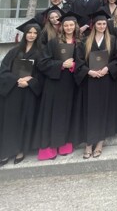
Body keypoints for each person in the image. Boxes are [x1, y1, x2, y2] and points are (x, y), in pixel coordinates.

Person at [72, 10, 117, 159]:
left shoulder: (112, 40)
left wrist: (108, 68)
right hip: (90, 82)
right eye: (99, 24)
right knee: (90, 113)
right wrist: (89, 71)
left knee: (104, 111)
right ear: (93, 25)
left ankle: (100, 143)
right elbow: (79, 61)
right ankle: (89, 144)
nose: (101, 26)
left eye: (104, 24)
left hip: (107, 81)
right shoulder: (85, 41)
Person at [33, 12, 81, 160]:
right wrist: (61, 65)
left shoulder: (80, 43)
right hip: (54, 84)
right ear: (62, 27)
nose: (69, 27)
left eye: (71, 25)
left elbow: (84, 63)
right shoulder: (53, 43)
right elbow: (42, 63)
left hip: (71, 84)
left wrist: (75, 66)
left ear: (75, 26)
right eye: (66, 25)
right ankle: (48, 149)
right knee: (51, 114)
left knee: (68, 113)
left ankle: (64, 145)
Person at [0, 19, 43, 166]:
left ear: (38, 35)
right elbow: (4, 69)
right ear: (25, 34)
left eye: (35, 33)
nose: (32, 35)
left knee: (25, 121)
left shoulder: (40, 52)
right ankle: (6, 151)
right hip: (13, 92)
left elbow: (42, 74)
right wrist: (16, 80)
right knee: (10, 122)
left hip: (28, 93)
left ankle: (21, 150)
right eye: (29, 32)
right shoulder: (14, 51)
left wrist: (30, 81)